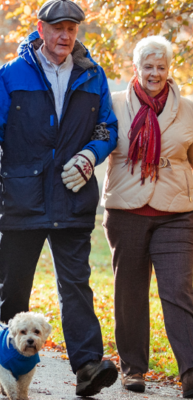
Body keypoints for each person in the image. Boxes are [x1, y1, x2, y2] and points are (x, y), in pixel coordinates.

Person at [0, 0, 119, 396]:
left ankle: (87, 368)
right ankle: (7, 365)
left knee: (76, 286)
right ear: (41, 28)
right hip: (21, 197)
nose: (65, 36)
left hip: (72, 197)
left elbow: (107, 129)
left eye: (72, 29)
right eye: (58, 28)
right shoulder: (11, 75)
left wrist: (89, 157)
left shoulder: (92, 75)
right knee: (13, 288)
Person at [101, 36, 193, 398]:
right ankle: (134, 369)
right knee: (130, 292)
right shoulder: (113, 105)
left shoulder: (188, 109)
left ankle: (190, 372)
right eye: (148, 66)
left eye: (161, 67)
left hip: (177, 213)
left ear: (169, 70)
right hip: (126, 211)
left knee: (178, 291)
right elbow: (96, 144)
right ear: (136, 68)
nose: (155, 73)